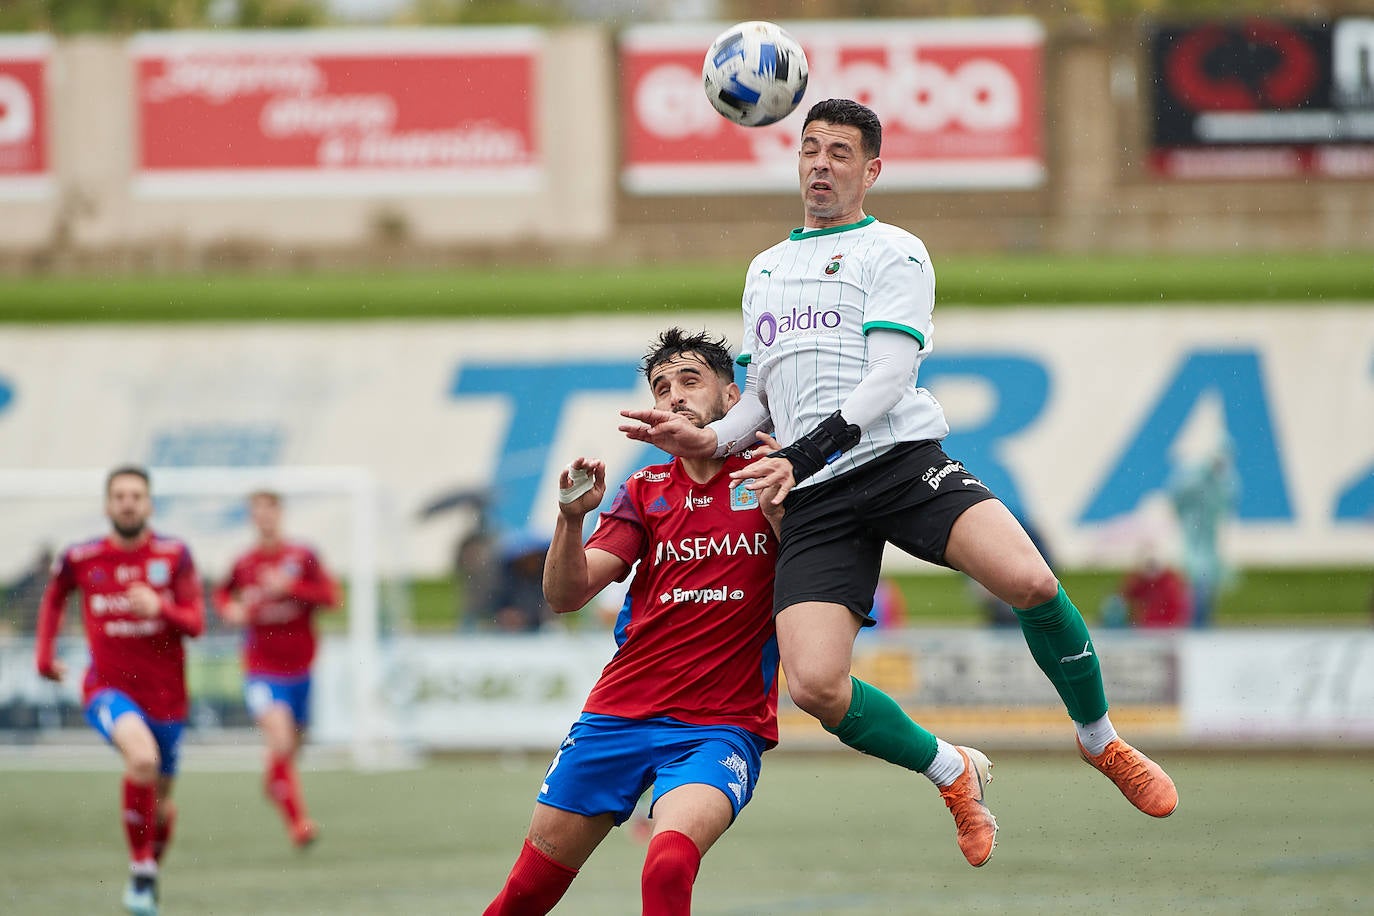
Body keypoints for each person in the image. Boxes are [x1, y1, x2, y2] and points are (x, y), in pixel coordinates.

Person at [620, 99, 1178, 869]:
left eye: (840, 153)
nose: (820, 164)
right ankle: (951, 771)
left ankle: (1101, 741)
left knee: (1032, 580)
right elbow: (761, 396)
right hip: (816, 493)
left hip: (899, 463)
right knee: (814, 687)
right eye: (810, 149)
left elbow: (888, 377)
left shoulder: (897, 253)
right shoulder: (766, 269)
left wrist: (806, 452)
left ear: (871, 170)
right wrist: (710, 435)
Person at [485, 328, 783, 915]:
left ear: (731, 398)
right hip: (617, 716)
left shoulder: (774, 475)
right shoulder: (643, 491)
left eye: (690, 381)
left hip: (719, 726)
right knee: (524, 895)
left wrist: (781, 512)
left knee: (667, 861)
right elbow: (567, 595)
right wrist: (570, 522)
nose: (673, 396)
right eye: (661, 386)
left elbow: (816, 579)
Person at [34, 465, 205, 916]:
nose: (128, 503)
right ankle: (142, 866)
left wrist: (160, 606)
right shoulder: (81, 557)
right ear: (108, 504)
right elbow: (54, 598)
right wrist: (44, 656)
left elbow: (197, 624)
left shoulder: (175, 556)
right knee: (142, 759)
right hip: (108, 688)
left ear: (149, 504)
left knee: (163, 808)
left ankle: (144, 879)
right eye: (120, 495)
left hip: (167, 698)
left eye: (136, 495)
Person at [213, 489, 340, 848]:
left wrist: (293, 587)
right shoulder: (245, 563)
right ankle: (298, 823)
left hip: (301, 668)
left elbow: (331, 598)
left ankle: (276, 783)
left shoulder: (302, 556)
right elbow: (222, 594)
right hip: (261, 668)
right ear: (251, 518)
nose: (264, 518)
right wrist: (229, 609)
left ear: (280, 514)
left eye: (270, 510)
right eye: (257, 512)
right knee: (281, 739)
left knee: (291, 749)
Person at [1167, 443, 1237, 628]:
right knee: (1198, 579)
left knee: (1206, 580)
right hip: (1195, 538)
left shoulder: (1219, 485)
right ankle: (1196, 623)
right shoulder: (1197, 481)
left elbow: (1227, 502)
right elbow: (1177, 498)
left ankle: (1202, 622)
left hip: (1207, 539)